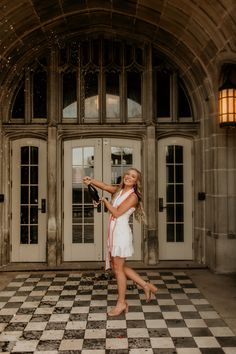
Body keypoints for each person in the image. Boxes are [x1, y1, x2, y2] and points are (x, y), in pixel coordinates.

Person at [83, 168, 158, 317]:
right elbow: (104, 186)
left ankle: (121, 302)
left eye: (133, 176)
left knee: (117, 269)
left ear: (136, 182)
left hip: (121, 234)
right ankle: (145, 285)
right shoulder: (118, 191)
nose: (129, 177)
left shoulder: (133, 196)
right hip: (114, 233)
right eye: (128, 174)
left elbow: (116, 213)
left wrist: (104, 201)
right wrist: (91, 181)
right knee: (119, 266)